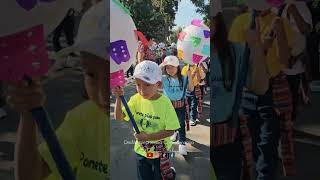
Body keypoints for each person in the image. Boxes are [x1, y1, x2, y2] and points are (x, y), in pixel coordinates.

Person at [8, 2, 109, 180]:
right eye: (91, 74)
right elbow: (31, 175)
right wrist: (28, 117)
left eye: (112, 73)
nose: (102, 95)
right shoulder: (81, 119)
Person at [229, 0, 295, 178]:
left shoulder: (281, 22)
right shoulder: (241, 23)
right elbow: (237, 65)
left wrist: (279, 33)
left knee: (268, 145)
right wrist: (259, 47)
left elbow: (285, 62)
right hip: (247, 92)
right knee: (248, 145)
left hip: (273, 92)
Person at [112, 60, 180, 180]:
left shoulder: (165, 103)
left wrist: (148, 137)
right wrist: (118, 99)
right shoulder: (135, 99)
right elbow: (119, 117)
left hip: (161, 151)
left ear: (158, 84)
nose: (142, 90)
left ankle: (169, 173)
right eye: (138, 84)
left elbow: (171, 130)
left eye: (147, 84)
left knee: (161, 177)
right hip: (141, 150)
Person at [275, 1, 313, 120]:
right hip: (274, 65)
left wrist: (293, 10)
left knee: (291, 105)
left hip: (293, 67)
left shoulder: (300, 6)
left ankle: (289, 128)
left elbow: (306, 30)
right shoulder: (272, 6)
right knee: (276, 105)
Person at [160, 56, 194, 155]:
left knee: (181, 123)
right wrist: (162, 64)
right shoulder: (164, 78)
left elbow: (191, 89)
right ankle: (174, 133)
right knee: (170, 123)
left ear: (177, 67)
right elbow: (153, 73)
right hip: (168, 106)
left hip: (180, 105)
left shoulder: (183, 78)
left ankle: (182, 143)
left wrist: (190, 76)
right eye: (167, 67)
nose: (169, 70)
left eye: (172, 67)